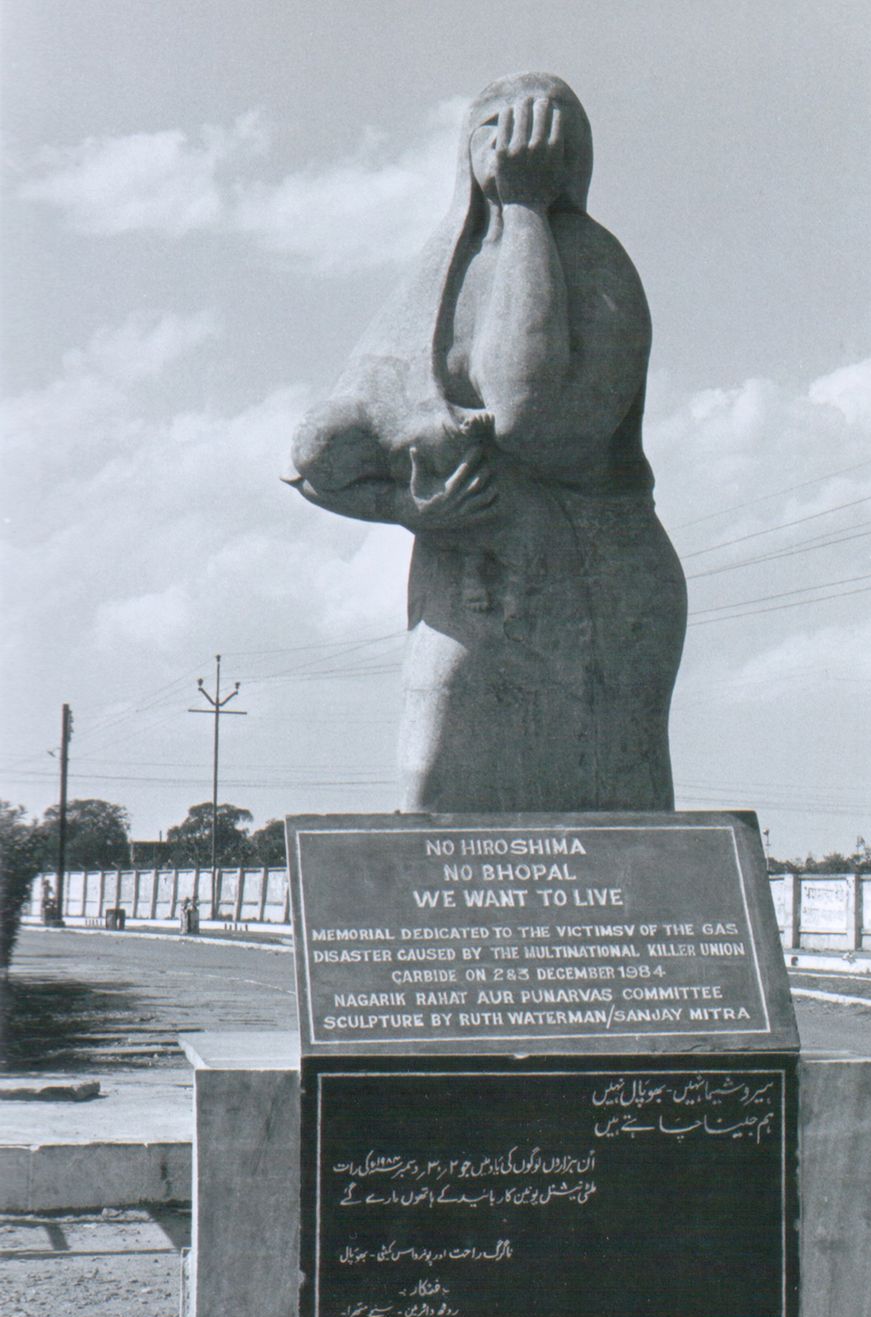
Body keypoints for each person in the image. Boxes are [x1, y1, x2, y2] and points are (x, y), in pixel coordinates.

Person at [287, 72, 686, 812]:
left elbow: (535, 421)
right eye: (499, 125)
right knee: (433, 781)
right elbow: (318, 458)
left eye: (545, 126)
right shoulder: (438, 274)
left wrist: (528, 214)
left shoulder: (595, 260)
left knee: (614, 815)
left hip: (600, 576)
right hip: (468, 576)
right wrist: (412, 509)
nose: (520, 141)